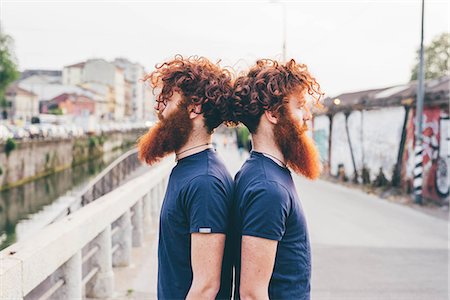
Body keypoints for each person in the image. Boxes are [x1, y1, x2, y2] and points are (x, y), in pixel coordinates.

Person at [137, 55, 235, 300]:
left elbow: (206, 287)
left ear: (194, 108)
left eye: (167, 100)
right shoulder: (188, 168)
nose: (158, 109)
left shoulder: (205, 182)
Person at [230, 58, 323, 300]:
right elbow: (252, 293)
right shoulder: (268, 189)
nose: (307, 116)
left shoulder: (261, 172)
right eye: (300, 105)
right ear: (272, 112)